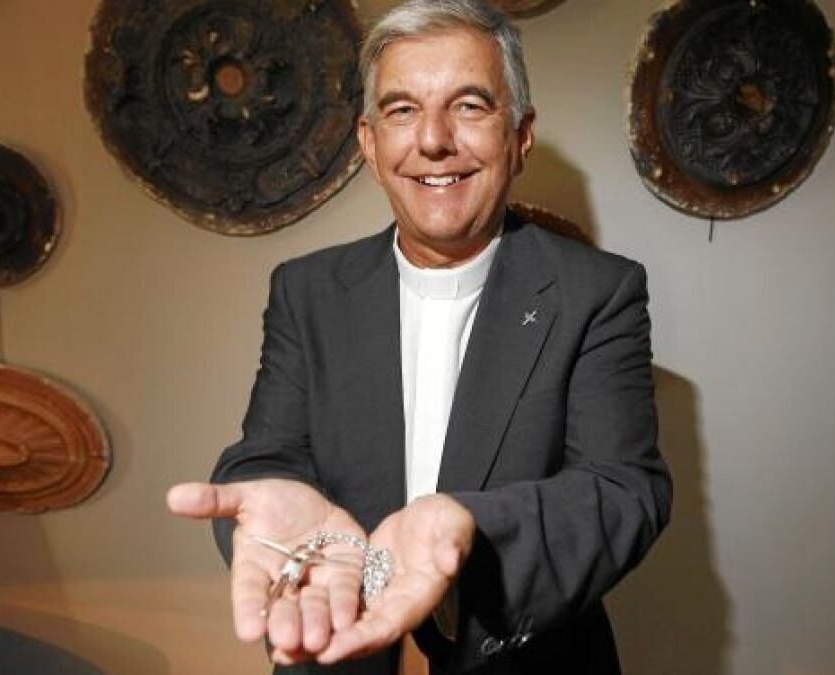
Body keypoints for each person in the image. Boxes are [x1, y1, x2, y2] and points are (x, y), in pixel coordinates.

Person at [167, 1, 672, 673]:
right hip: (336, 649)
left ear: (520, 136)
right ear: (370, 144)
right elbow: (268, 456)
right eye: (402, 110)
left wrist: (468, 528)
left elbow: (623, 491)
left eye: (469, 106)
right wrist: (275, 513)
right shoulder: (307, 290)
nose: (433, 140)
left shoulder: (598, 291)